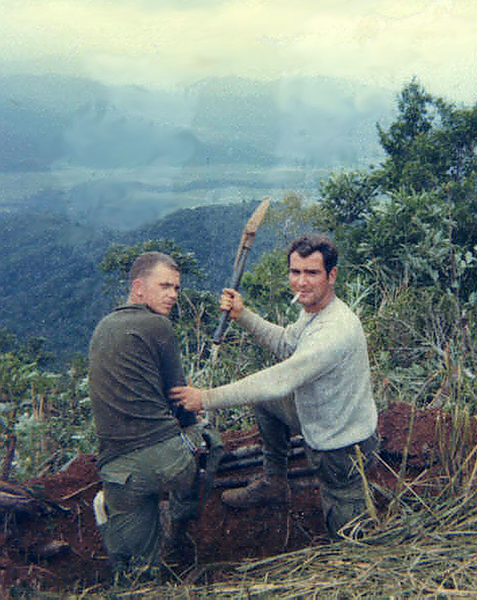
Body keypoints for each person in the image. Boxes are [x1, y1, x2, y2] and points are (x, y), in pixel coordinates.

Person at [169, 234, 379, 538]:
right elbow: (285, 343)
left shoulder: (333, 331)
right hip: (320, 417)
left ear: (331, 276)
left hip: (342, 448)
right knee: (266, 402)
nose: (301, 283)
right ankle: (275, 482)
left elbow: (279, 381)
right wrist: (243, 316)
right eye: (296, 272)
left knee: (350, 539)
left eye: (312, 273)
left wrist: (206, 398)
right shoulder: (314, 311)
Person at [88, 251, 205, 582]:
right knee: (210, 440)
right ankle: (184, 525)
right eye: (165, 286)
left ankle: (131, 561)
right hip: (168, 463)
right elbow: (180, 399)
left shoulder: (102, 327)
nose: (172, 295)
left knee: (141, 573)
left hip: (118, 472)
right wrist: (193, 430)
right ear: (138, 287)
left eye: (176, 288)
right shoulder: (158, 325)